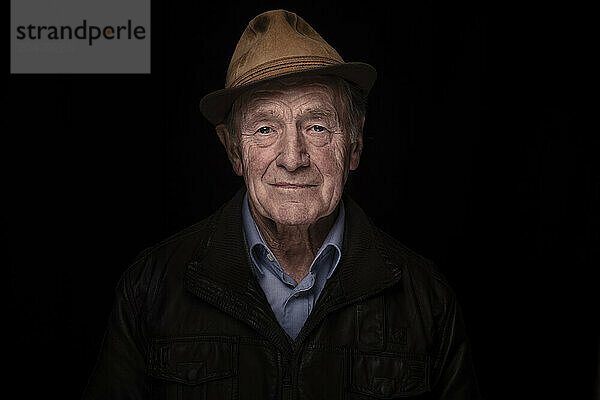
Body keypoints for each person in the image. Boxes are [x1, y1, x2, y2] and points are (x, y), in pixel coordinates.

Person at [83, 9, 480, 399]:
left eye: (317, 126)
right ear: (234, 151)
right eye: (265, 128)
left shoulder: (427, 298)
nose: (293, 157)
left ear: (354, 144)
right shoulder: (151, 287)